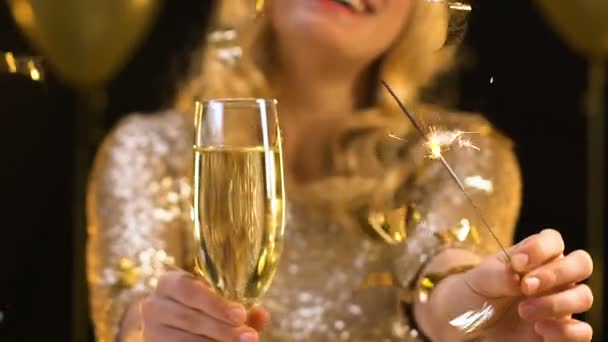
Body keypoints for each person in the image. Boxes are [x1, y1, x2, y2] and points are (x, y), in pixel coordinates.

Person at [86, 0, 594, 341]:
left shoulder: (458, 151)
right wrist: (158, 327)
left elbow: (442, 275)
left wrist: (484, 308)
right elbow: (131, 308)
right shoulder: (149, 147)